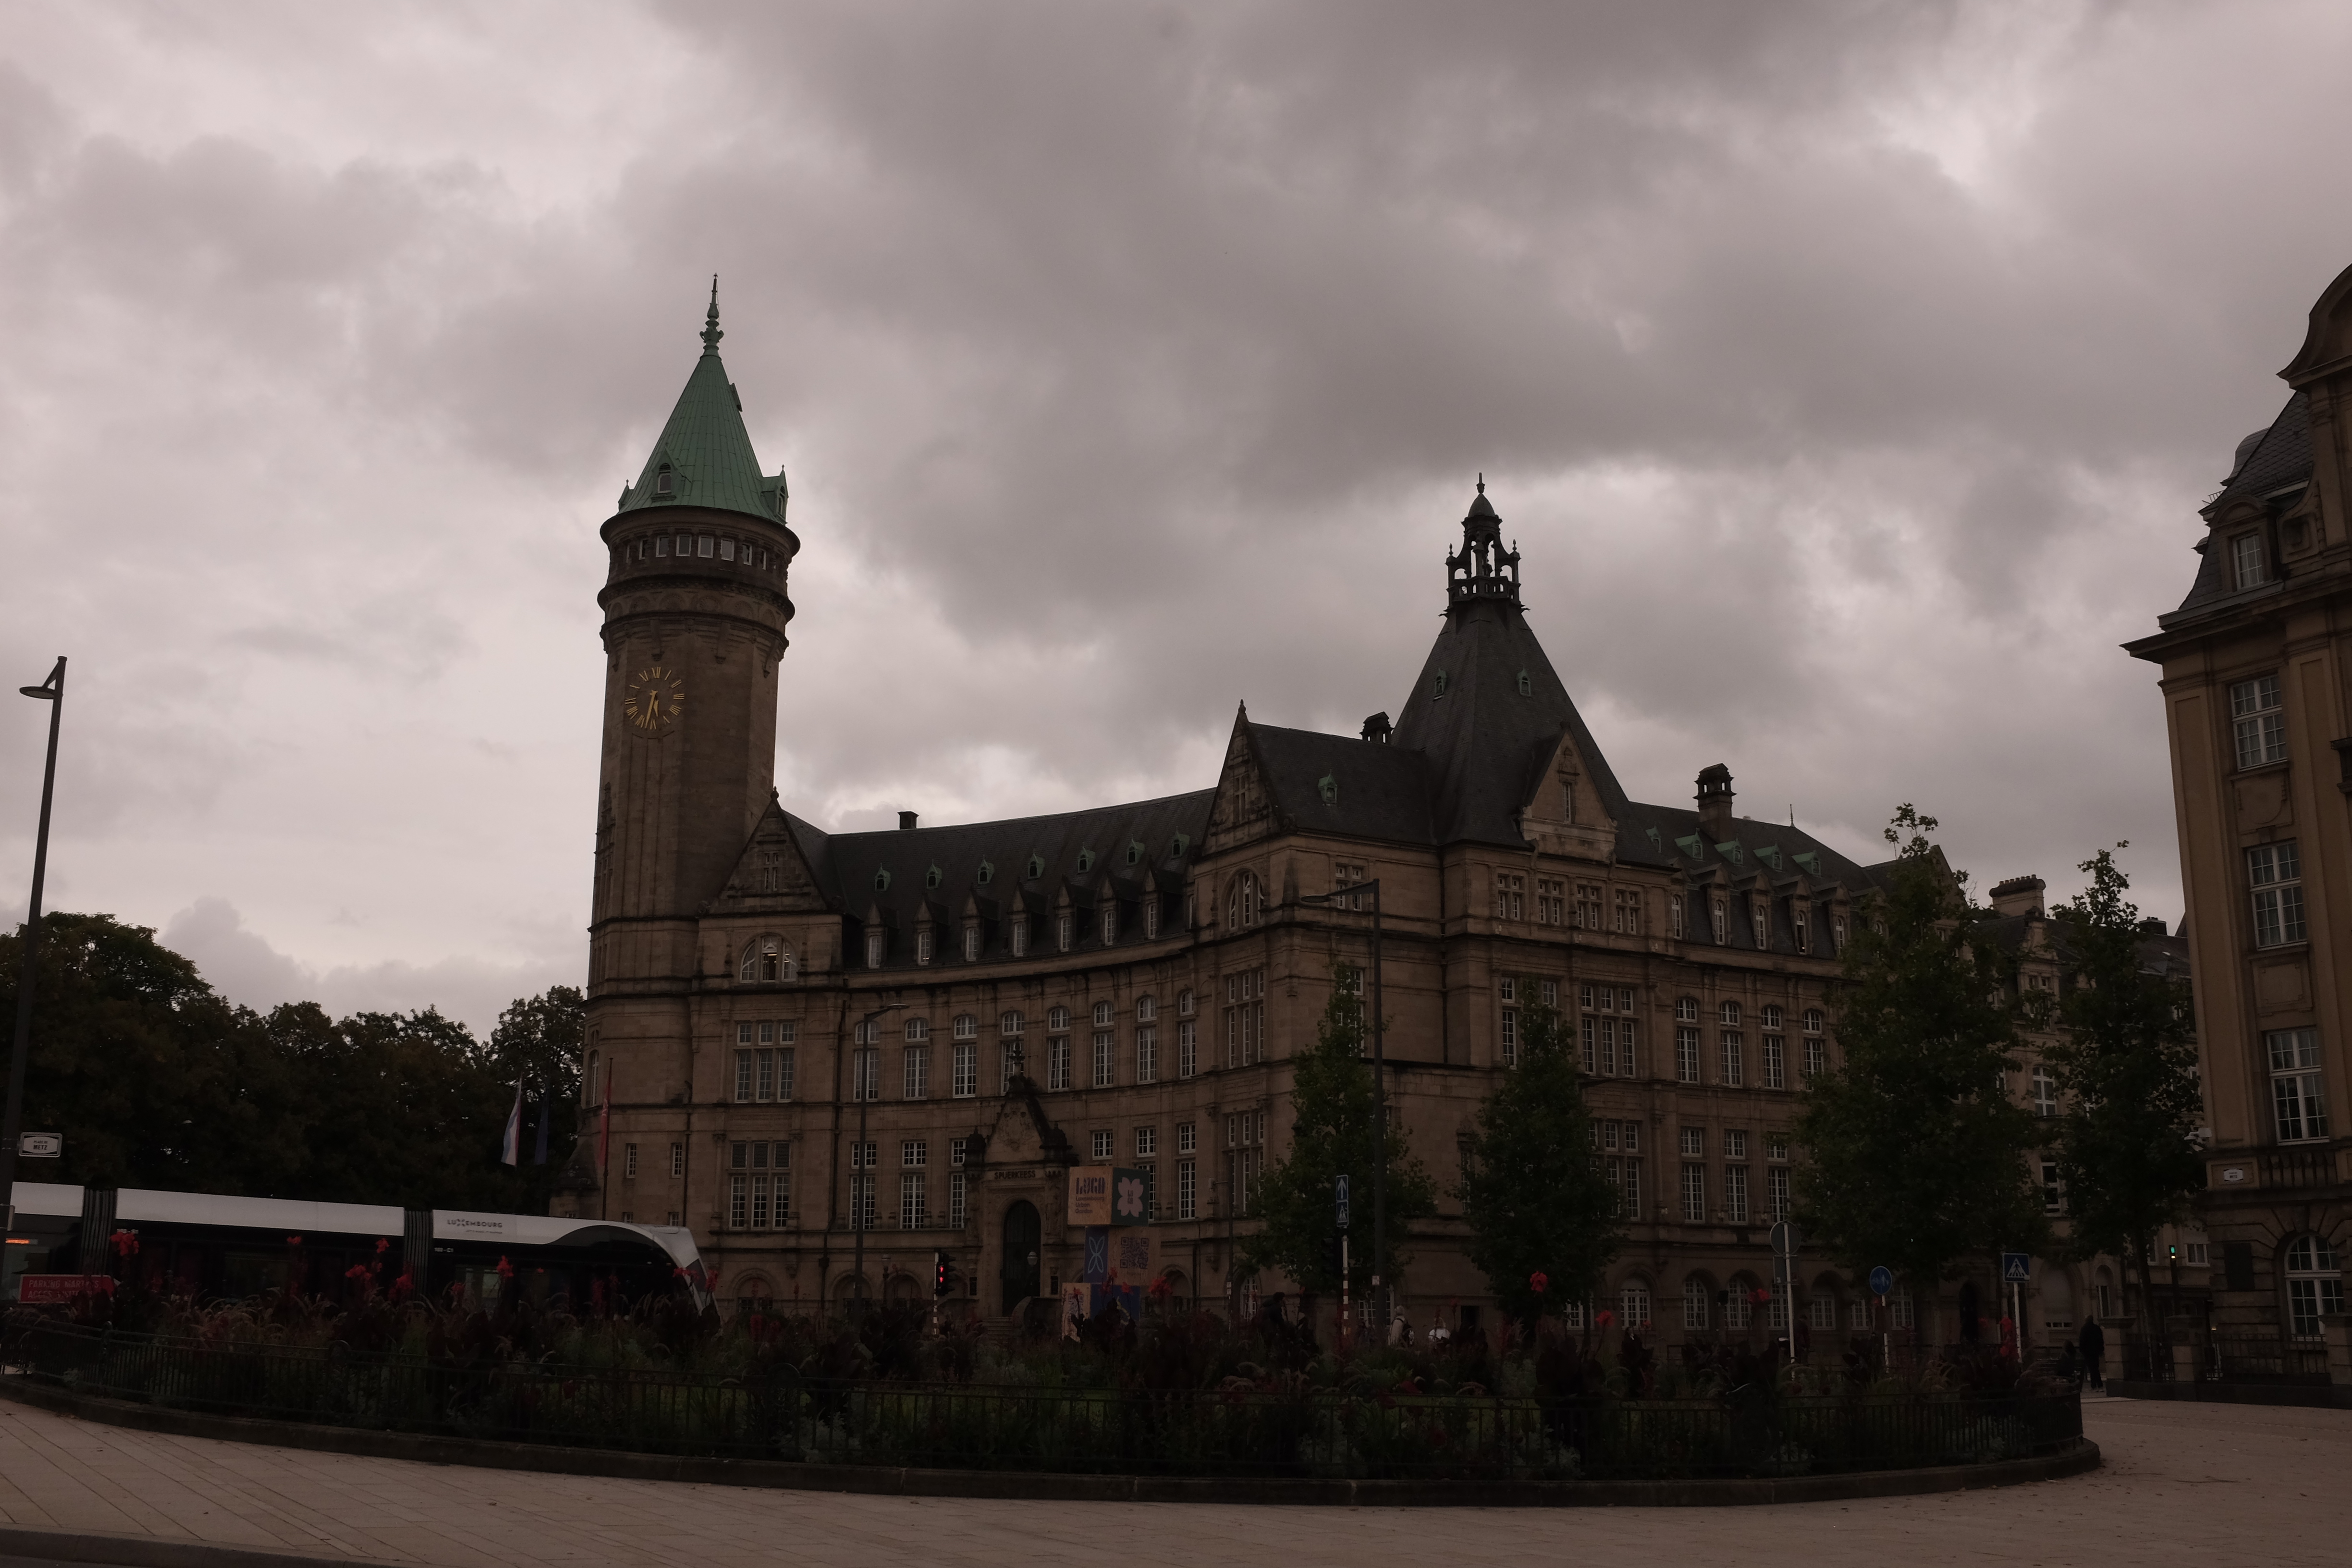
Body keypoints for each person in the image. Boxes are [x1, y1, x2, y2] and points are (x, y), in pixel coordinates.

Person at [2078, 1316, 2106, 1392]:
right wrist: (2101, 1350)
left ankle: (2095, 1386)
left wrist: (2082, 1351)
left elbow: (2082, 1341)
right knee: (2095, 1368)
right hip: (2096, 1352)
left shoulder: (2084, 1329)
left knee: (2092, 1369)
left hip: (2088, 1352)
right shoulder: (2097, 1328)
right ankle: (2098, 1385)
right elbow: (2101, 1340)